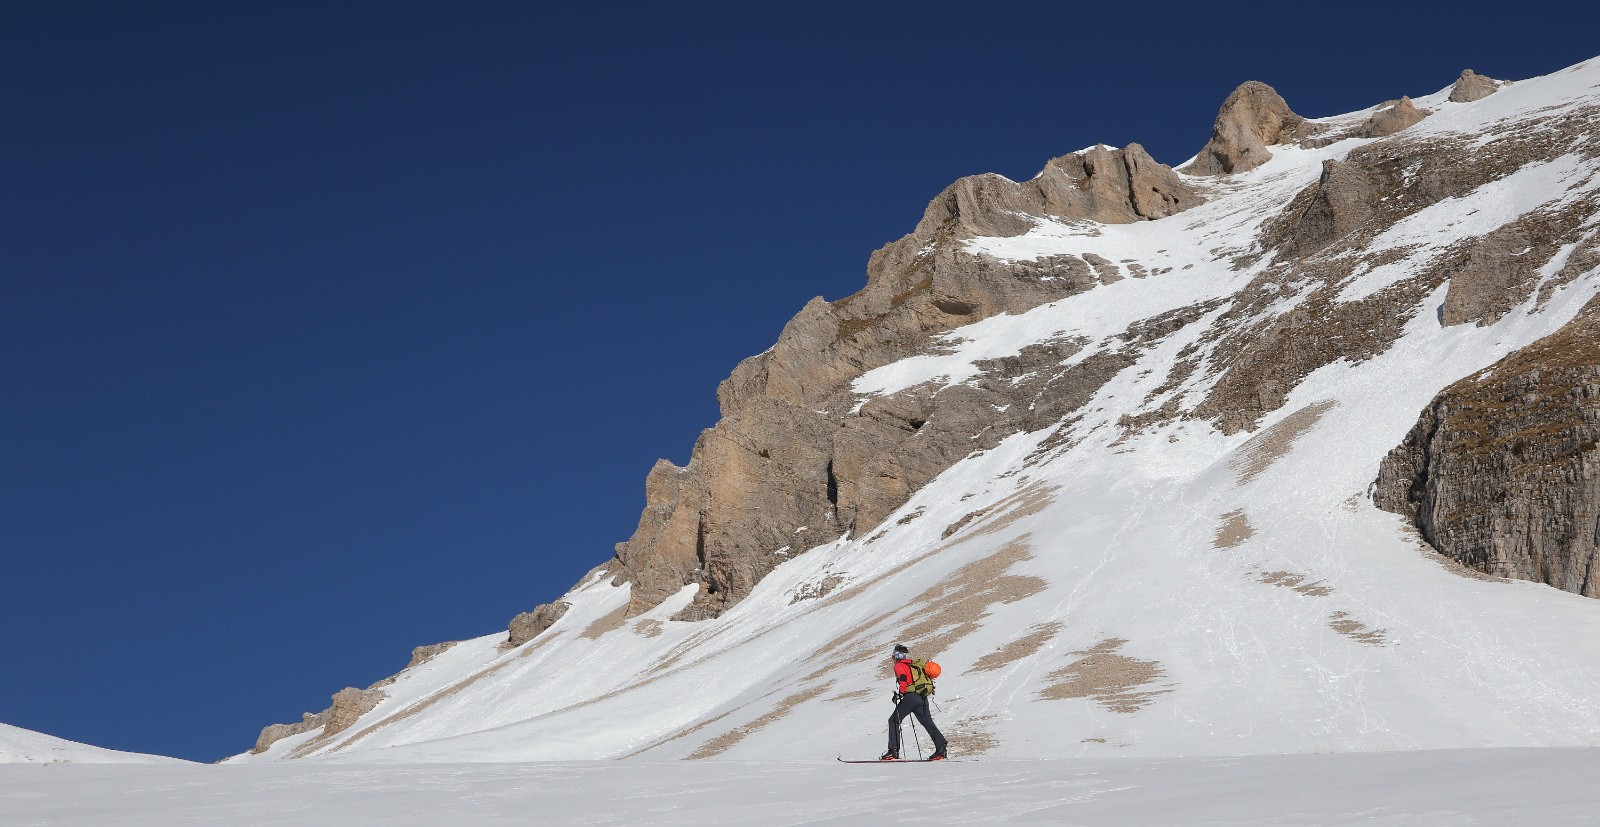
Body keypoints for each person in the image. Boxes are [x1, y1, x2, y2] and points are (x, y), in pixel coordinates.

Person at [882, 644, 948, 760]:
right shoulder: (913, 664)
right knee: (928, 723)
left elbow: (903, 678)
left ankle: (893, 751)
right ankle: (941, 748)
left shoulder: (899, 665)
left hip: (911, 697)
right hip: (922, 697)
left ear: (895, 656)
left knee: (893, 720)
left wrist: (901, 692)